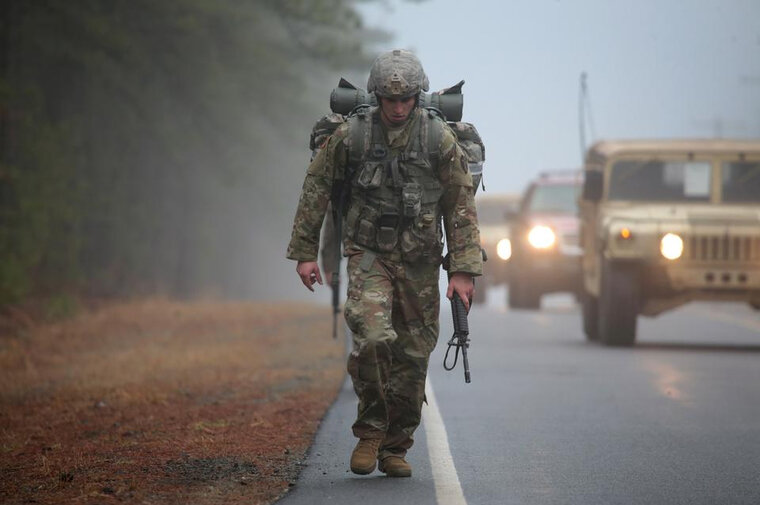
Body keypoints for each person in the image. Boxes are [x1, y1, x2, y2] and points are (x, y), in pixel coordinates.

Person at [286, 49, 482, 478]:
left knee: (413, 353)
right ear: (376, 96)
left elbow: (460, 203)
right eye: (389, 100)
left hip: (421, 260)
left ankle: (396, 446)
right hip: (369, 254)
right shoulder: (352, 135)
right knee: (373, 336)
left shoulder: (437, 138)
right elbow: (316, 187)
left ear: (417, 97)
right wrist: (305, 252)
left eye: (406, 99)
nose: (397, 108)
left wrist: (463, 270)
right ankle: (371, 430)